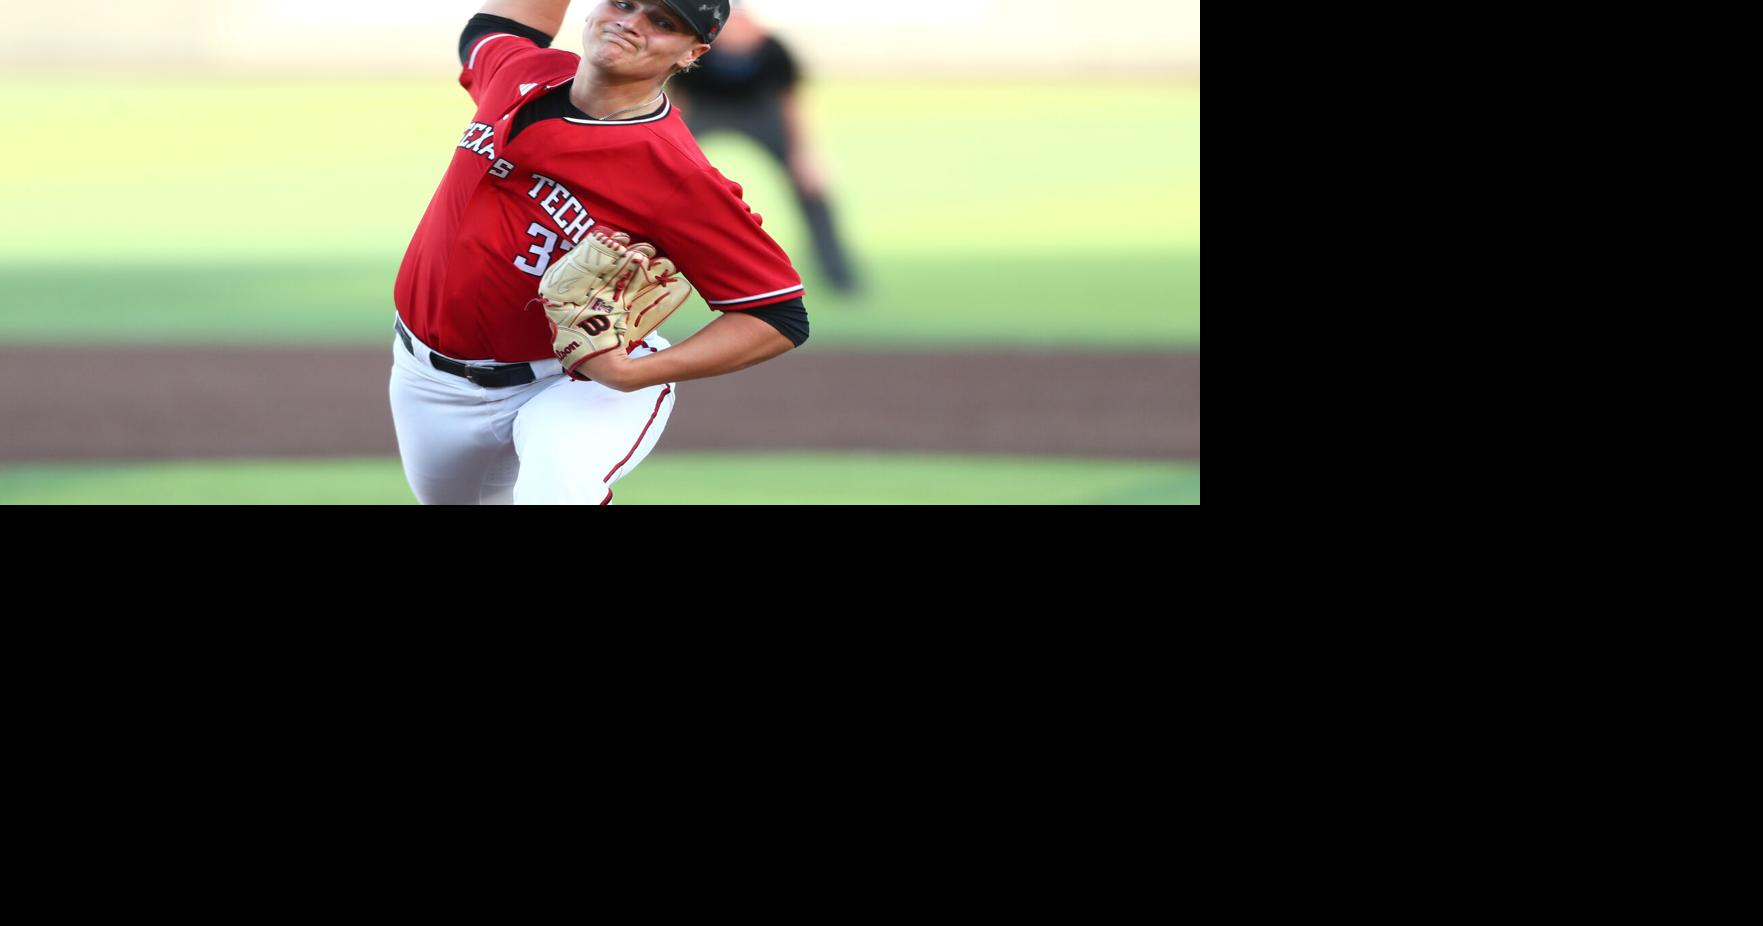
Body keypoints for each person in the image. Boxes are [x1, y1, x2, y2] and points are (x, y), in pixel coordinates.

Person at [390, 0, 809, 505]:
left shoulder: (678, 175)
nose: (631, 23)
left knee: (555, 494)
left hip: (573, 380)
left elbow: (777, 313)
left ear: (691, 53)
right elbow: (495, 26)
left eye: (662, 22)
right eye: (624, 3)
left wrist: (632, 374)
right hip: (427, 381)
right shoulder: (520, 70)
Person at [669, 3, 859, 293]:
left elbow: (790, 102)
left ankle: (839, 276)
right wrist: (671, 148)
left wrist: (804, 154)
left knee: (811, 186)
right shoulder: (700, 45)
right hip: (707, 108)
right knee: (666, 172)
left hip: (760, 111)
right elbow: (678, 97)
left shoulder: (773, 50)